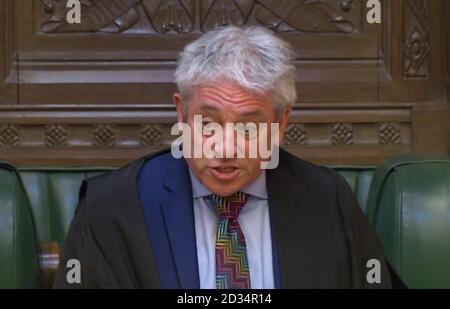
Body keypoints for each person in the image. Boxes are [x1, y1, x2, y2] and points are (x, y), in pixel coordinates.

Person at [54, 26, 404, 289]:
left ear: (281, 124)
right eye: (208, 124)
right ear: (182, 114)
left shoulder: (329, 200)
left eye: (249, 128)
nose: (225, 148)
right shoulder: (112, 206)